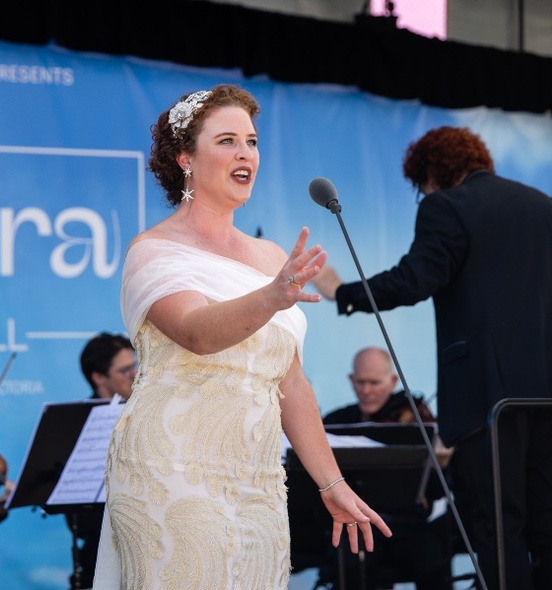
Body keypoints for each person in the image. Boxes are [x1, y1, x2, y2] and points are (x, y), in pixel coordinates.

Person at [93, 84, 391, 590]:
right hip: (171, 468)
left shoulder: (272, 257)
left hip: (258, 480)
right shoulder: (153, 250)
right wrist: (271, 298)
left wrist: (331, 482)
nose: (245, 154)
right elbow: (196, 332)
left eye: (251, 141)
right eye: (227, 140)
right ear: (185, 158)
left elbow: (290, 385)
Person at [312, 125, 552, 590]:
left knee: (496, 526)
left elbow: (414, 279)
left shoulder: (447, 204)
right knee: (547, 522)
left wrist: (343, 292)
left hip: (491, 397)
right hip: (547, 394)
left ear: (430, 176)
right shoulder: (542, 206)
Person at [321, 346, 450, 590]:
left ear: (392, 381)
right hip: (355, 522)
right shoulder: (335, 422)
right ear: (351, 380)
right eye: (360, 382)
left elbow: (436, 491)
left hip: (408, 525)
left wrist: (438, 466)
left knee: (432, 560)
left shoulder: (416, 422)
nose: (366, 391)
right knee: (351, 563)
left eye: (375, 383)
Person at [67, 333, 137, 589]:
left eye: (135, 366)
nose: (135, 374)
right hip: (97, 546)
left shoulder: (145, 412)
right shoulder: (76, 423)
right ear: (99, 377)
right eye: (125, 370)